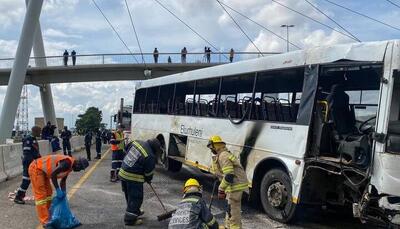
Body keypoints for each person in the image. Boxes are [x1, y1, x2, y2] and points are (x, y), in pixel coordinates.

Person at [29, 155, 88, 227]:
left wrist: (64, 192)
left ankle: (49, 216)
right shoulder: (67, 163)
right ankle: (45, 222)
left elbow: (63, 181)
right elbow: (53, 174)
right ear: (78, 164)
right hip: (36, 168)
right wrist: (57, 189)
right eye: (81, 168)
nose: (79, 170)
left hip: (43, 172)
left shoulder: (70, 167)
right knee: (41, 197)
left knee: (48, 193)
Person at [207, 135, 248, 229]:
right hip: (233, 187)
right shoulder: (222, 155)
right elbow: (224, 173)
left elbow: (229, 175)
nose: (211, 150)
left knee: (233, 214)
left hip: (236, 187)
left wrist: (221, 188)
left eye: (211, 147)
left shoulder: (223, 156)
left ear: (216, 146)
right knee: (229, 209)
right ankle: (227, 226)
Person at [119, 138, 161, 226]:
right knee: (136, 198)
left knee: (129, 195)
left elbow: (125, 149)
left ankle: (134, 211)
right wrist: (148, 179)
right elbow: (148, 173)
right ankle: (130, 220)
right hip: (133, 177)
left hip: (123, 172)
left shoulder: (137, 142)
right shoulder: (150, 155)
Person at [14, 126, 42, 204]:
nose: (40, 133)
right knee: (26, 180)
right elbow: (27, 154)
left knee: (31, 180)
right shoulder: (28, 139)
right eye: (39, 131)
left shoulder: (33, 139)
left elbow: (35, 152)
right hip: (28, 163)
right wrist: (33, 162)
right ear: (35, 131)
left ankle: (21, 196)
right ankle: (18, 197)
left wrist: (40, 159)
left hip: (33, 163)